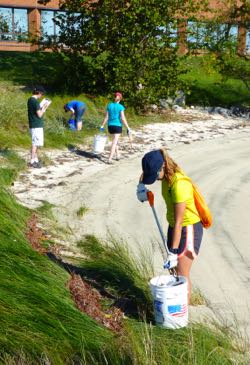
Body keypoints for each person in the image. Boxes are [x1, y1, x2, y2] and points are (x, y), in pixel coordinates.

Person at [137, 148, 203, 303]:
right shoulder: (164, 175)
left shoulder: (179, 185)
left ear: (163, 166)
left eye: (155, 175)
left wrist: (172, 252)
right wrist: (140, 187)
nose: (155, 179)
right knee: (173, 270)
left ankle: (182, 312)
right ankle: (175, 305)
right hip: (174, 226)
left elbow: (180, 221)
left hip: (189, 227)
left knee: (181, 273)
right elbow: (144, 175)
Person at [100, 92, 130, 164]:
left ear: (115, 97)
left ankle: (118, 155)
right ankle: (109, 159)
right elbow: (123, 118)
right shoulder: (120, 107)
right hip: (117, 126)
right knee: (114, 142)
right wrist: (128, 127)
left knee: (115, 141)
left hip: (110, 126)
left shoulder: (109, 105)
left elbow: (106, 117)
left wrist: (102, 125)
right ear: (120, 98)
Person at [27, 85, 48, 168]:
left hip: (34, 124)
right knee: (35, 144)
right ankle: (32, 161)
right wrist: (44, 108)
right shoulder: (34, 101)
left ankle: (36, 160)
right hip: (36, 125)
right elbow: (39, 115)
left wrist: (40, 107)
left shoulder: (30, 100)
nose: (41, 96)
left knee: (36, 143)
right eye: (42, 94)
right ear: (39, 93)